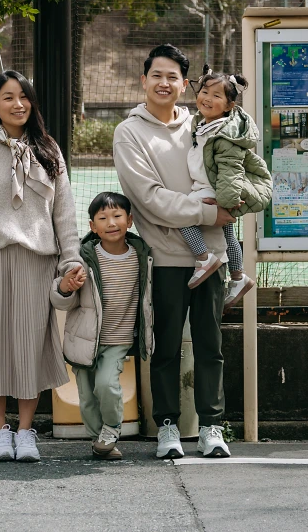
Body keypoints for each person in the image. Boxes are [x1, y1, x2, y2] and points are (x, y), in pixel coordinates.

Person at [112, 44, 234, 459]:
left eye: (173, 77)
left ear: (186, 85)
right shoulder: (129, 133)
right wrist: (207, 213)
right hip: (164, 258)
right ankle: (167, 426)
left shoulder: (203, 125)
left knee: (209, 345)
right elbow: (149, 199)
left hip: (212, 255)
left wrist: (228, 208)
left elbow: (230, 170)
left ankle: (211, 426)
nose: (164, 83)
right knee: (163, 346)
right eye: (156, 75)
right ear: (143, 80)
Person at [0, 70, 81, 463]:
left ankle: (26, 431)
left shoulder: (49, 150)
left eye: (24, 96)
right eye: (8, 97)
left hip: (37, 263)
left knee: (30, 346)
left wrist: (71, 259)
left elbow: (64, 214)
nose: (18, 104)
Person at [50, 192, 153, 460]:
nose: (111, 223)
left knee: (106, 385)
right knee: (86, 396)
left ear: (129, 220)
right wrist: (65, 287)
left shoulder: (142, 257)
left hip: (118, 338)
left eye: (117, 216)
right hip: (84, 339)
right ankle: (101, 441)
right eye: (103, 218)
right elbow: (61, 300)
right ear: (93, 226)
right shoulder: (83, 259)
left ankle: (111, 428)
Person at [183, 67, 271, 307]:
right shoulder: (204, 125)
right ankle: (238, 277)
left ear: (229, 105)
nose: (207, 98)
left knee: (183, 216)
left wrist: (225, 201)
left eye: (216, 95)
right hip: (210, 187)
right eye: (204, 91)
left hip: (215, 191)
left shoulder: (224, 135)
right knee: (228, 234)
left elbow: (231, 171)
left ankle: (204, 258)